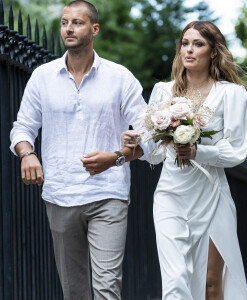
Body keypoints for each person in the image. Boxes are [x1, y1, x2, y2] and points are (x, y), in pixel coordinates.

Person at [9, 1, 153, 299]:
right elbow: (22, 127)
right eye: (64, 23)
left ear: (94, 29)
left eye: (77, 22)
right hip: (60, 194)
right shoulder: (42, 77)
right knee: (74, 291)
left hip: (108, 195)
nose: (68, 29)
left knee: (107, 287)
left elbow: (148, 135)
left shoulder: (120, 77)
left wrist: (117, 156)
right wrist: (27, 153)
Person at [122, 21, 247, 300]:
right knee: (175, 281)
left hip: (211, 195)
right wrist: (134, 140)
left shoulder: (232, 94)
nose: (189, 50)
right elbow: (150, 146)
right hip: (170, 195)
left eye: (198, 44)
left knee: (211, 285)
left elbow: (237, 150)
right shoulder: (162, 91)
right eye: (185, 43)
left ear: (214, 52)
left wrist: (199, 152)